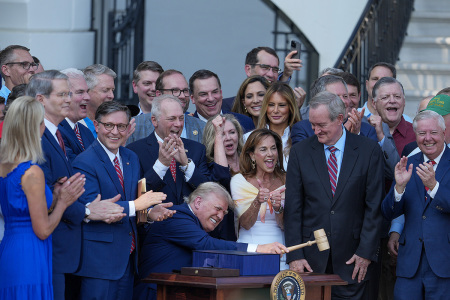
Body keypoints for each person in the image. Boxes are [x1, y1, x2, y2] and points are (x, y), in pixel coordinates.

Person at [26, 70, 126, 299]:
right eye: (63, 94)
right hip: (50, 248)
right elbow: (47, 194)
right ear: (41, 99)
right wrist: (89, 211)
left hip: (67, 252)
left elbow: (66, 189)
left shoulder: (57, 135)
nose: (69, 99)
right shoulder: (38, 138)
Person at [285, 91, 384, 299]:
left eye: (321, 125)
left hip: (353, 260)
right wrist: (294, 254)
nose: (315, 130)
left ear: (340, 119)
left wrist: (366, 253)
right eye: (312, 124)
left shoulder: (368, 150)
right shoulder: (300, 152)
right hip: (311, 262)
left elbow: (374, 207)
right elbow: (293, 209)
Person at [72, 101, 172, 299]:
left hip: (128, 259)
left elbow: (136, 202)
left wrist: (149, 213)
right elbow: (95, 210)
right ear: (96, 125)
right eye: (109, 125)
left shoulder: (131, 157)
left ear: (128, 129)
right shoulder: (84, 161)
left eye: (121, 126)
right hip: (99, 264)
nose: (115, 132)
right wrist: (138, 205)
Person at [134, 182, 289, 300]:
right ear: (198, 202)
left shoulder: (193, 223)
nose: (221, 216)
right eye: (217, 208)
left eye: (224, 212)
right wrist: (258, 248)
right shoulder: (176, 216)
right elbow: (206, 244)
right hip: (155, 293)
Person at [0, 96, 84, 299]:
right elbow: (43, 230)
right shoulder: (32, 171)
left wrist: (53, 195)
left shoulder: (4, 164)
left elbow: (17, 204)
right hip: (30, 253)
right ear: (35, 127)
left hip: (9, 248)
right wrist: (63, 202)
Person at [381, 110, 450, 299]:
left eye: (433, 133)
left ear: (444, 133)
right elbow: (388, 212)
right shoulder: (408, 164)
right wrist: (399, 188)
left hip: (445, 265)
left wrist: (434, 187)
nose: (428, 138)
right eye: (422, 133)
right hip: (410, 265)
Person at [127, 95, 210, 206]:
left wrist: (187, 165)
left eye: (181, 118)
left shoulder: (197, 149)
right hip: (157, 221)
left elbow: (209, 192)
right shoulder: (135, 151)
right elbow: (136, 195)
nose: (178, 124)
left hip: (191, 221)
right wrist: (161, 165)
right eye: (172, 119)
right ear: (154, 121)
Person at [231, 129, 287, 270]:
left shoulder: (288, 180)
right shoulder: (239, 181)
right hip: (250, 252)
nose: (270, 154)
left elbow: (286, 226)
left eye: (273, 148)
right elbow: (245, 224)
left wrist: (278, 208)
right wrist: (257, 201)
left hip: (281, 253)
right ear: (252, 155)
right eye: (263, 149)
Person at [290, 75, 378, 144]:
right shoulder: (303, 129)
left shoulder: (367, 130)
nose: (343, 101)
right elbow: (306, 162)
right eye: (336, 97)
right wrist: (343, 135)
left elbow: (371, 164)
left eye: (345, 96)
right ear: (319, 100)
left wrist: (355, 137)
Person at [127, 69, 205, 144]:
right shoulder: (135, 126)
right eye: (175, 91)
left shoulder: (202, 127)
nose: (182, 96)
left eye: (185, 91)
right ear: (159, 94)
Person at [222, 46, 304, 112]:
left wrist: (293, 111)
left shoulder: (278, 110)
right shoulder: (227, 106)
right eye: (265, 67)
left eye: (275, 69)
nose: (271, 74)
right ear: (248, 69)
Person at [202, 114, 244, 241]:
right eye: (221, 134)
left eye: (232, 132)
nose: (228, 138)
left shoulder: (251, 163)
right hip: (226, 237)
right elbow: (222, 178)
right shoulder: (208, 170)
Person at [245, 82, 300, 170]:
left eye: (281, 105)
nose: (275, 110)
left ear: (291, 107)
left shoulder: (300, 139)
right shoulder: (249, 138)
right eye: (271, 105)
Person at [189, 69, 255, 133]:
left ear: (221, 93)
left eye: (215, 92)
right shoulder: (186, 128)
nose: (211, 99)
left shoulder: (244, 123)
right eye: (203, 94)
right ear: (193, 98)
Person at [59, 68, 95, 162]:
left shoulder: (86, 131)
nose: (87, 97)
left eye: (87, 92)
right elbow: (73, 164)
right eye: (80, 92)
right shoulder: (55, 130)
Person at [81, 64, 116, 137]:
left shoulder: (115, 124)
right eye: (105, 90)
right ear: (87, 91)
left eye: (112, 90)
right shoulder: (75, 127)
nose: (112, 96)